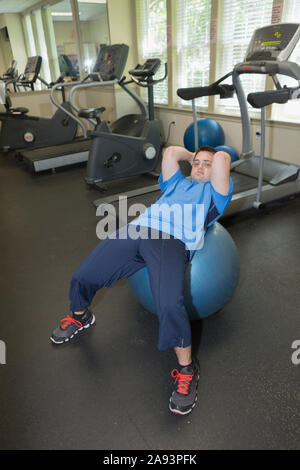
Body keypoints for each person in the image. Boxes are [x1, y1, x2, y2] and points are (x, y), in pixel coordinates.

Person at [50, 145, 233, 416]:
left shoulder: (216, 195)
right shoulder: (175, 183)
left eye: (207, 164)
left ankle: (186, 370)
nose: (201, 166)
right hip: (138, 229)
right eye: (196, 163)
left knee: (170, 304)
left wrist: (206, 158)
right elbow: (171, 152)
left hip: (172, 242)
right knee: (84, 275)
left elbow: (223, 157)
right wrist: (191, 157)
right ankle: (80, 317)